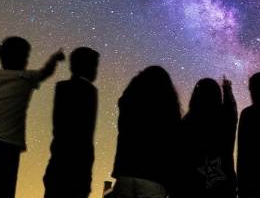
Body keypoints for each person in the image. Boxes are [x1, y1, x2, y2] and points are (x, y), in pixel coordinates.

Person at [0, 37, 65, 198]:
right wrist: (55, 58)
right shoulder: (25, 77)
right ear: (23, 57)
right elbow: (46, 71)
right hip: (7, 148)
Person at [111, 65, 181, 198]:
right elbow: (173, 147)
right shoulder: (169, 111)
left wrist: (136, 80)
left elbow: (123, 100)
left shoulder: (129, 107)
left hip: (125, 175)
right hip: (154, 180)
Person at [43, 47, 101, 198]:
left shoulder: (62, 87)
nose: (96, 70)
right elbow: (84, 135)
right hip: (77, 168)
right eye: (94, 65)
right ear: (86, 66)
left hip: (58, 162)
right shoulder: (89, 91)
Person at [173, 76, 237, 198]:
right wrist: (227, 89)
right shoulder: (225, 122)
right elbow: (231, 109)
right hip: (223, 188)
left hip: (190, 188)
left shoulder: (186, 123)